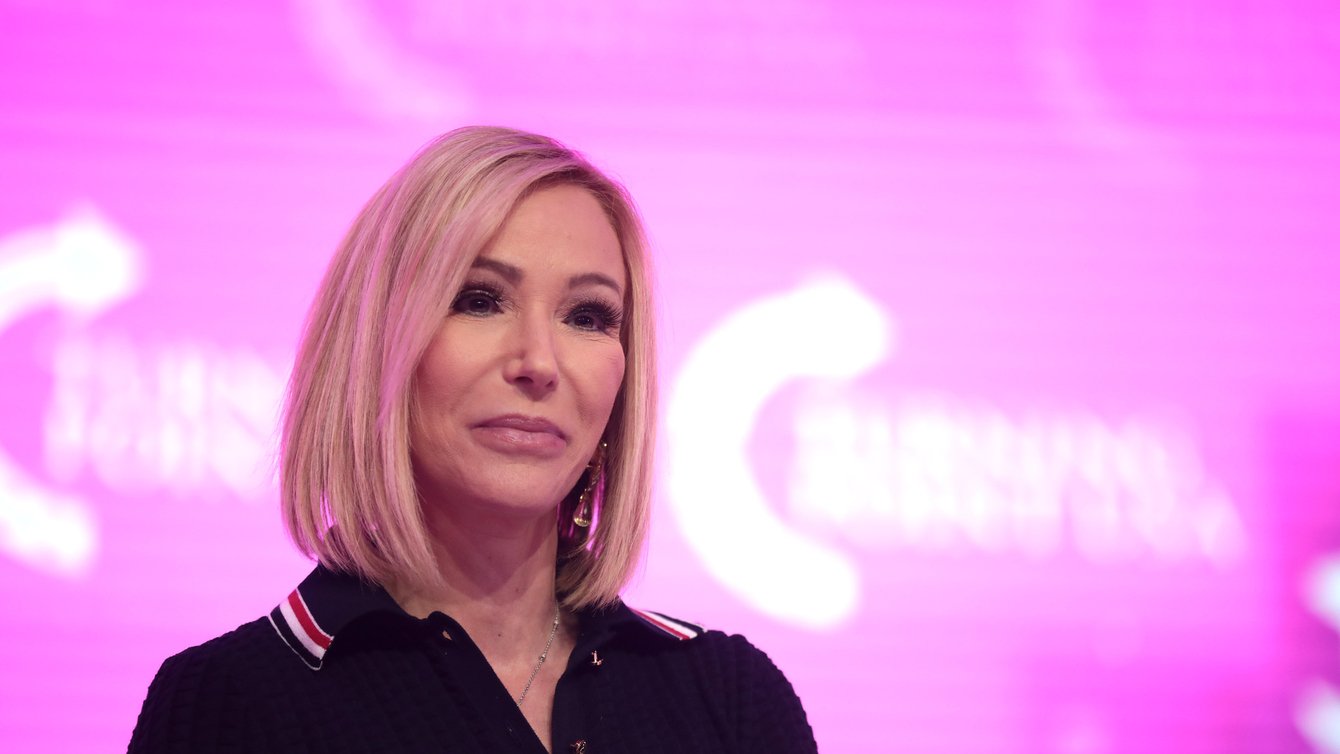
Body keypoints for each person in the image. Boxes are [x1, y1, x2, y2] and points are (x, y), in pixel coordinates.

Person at [128, 126, 816, 753]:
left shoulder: (729, 699)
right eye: (479, 300)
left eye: (587, 315)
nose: (539, 363)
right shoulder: (232, 705)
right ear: (375, 349)